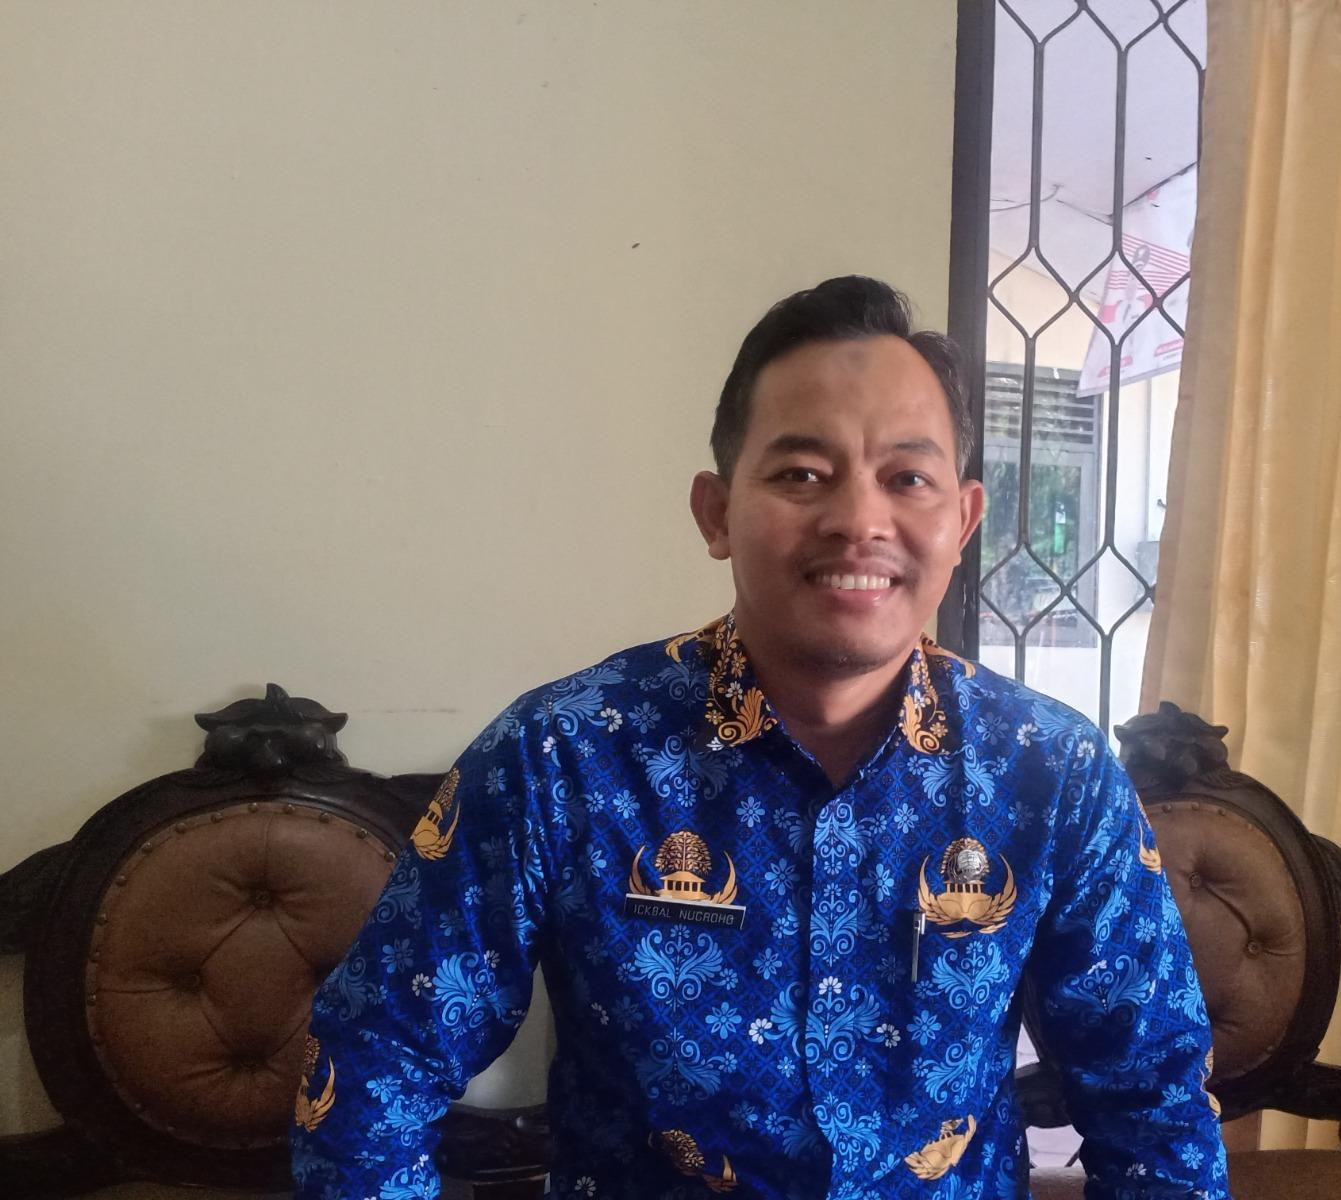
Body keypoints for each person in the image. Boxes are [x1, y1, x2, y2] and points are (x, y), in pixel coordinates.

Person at [290, 276, 1231, 1200]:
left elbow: (1152, 1102)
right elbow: (378, 1062)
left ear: (962, 521)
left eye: (907, 478)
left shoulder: (1052, 773)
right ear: (717, 512)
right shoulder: (562, 756)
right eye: (801, 474)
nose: (859, 521)